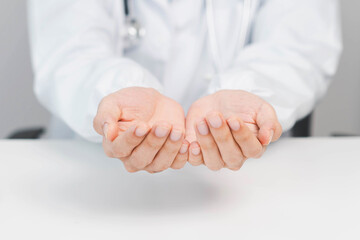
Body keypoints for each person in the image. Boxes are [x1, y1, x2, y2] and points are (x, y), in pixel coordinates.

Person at [28, 0, 342, 173]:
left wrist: (250, 94)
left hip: (249, 181)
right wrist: (117, 96)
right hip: (94, 174)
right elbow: (70, 50)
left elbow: (300, 47)